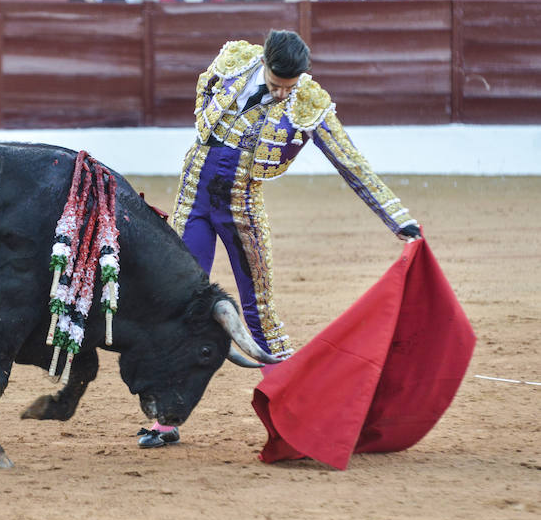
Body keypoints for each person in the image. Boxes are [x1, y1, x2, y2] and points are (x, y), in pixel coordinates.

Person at [138, 30, 421, 448]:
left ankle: (297, 415)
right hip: (193, 196)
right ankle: (166, 418)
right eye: (275, 84)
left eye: (289, 87)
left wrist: (399, 220)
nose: (281, 93)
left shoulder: (308, 103)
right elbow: (205, 85)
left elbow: (351, 162)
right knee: (178, 306)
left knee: (260, 313)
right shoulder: (236, 59)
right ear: (264, 62)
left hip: (241, 207)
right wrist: (203, 132)